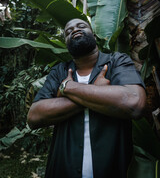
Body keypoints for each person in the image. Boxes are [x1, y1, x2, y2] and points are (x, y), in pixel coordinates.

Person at [27, 18, 146, 178]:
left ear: (94, 36)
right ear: (67, 43)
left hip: (113, 169)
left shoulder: (116, 61)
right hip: (64, 169)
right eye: (68, 32)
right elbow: (34, 116)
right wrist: (97, 92)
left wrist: (69, 88)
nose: (74, 30)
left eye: (81, 26)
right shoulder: (59, 72)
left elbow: (134, 102)